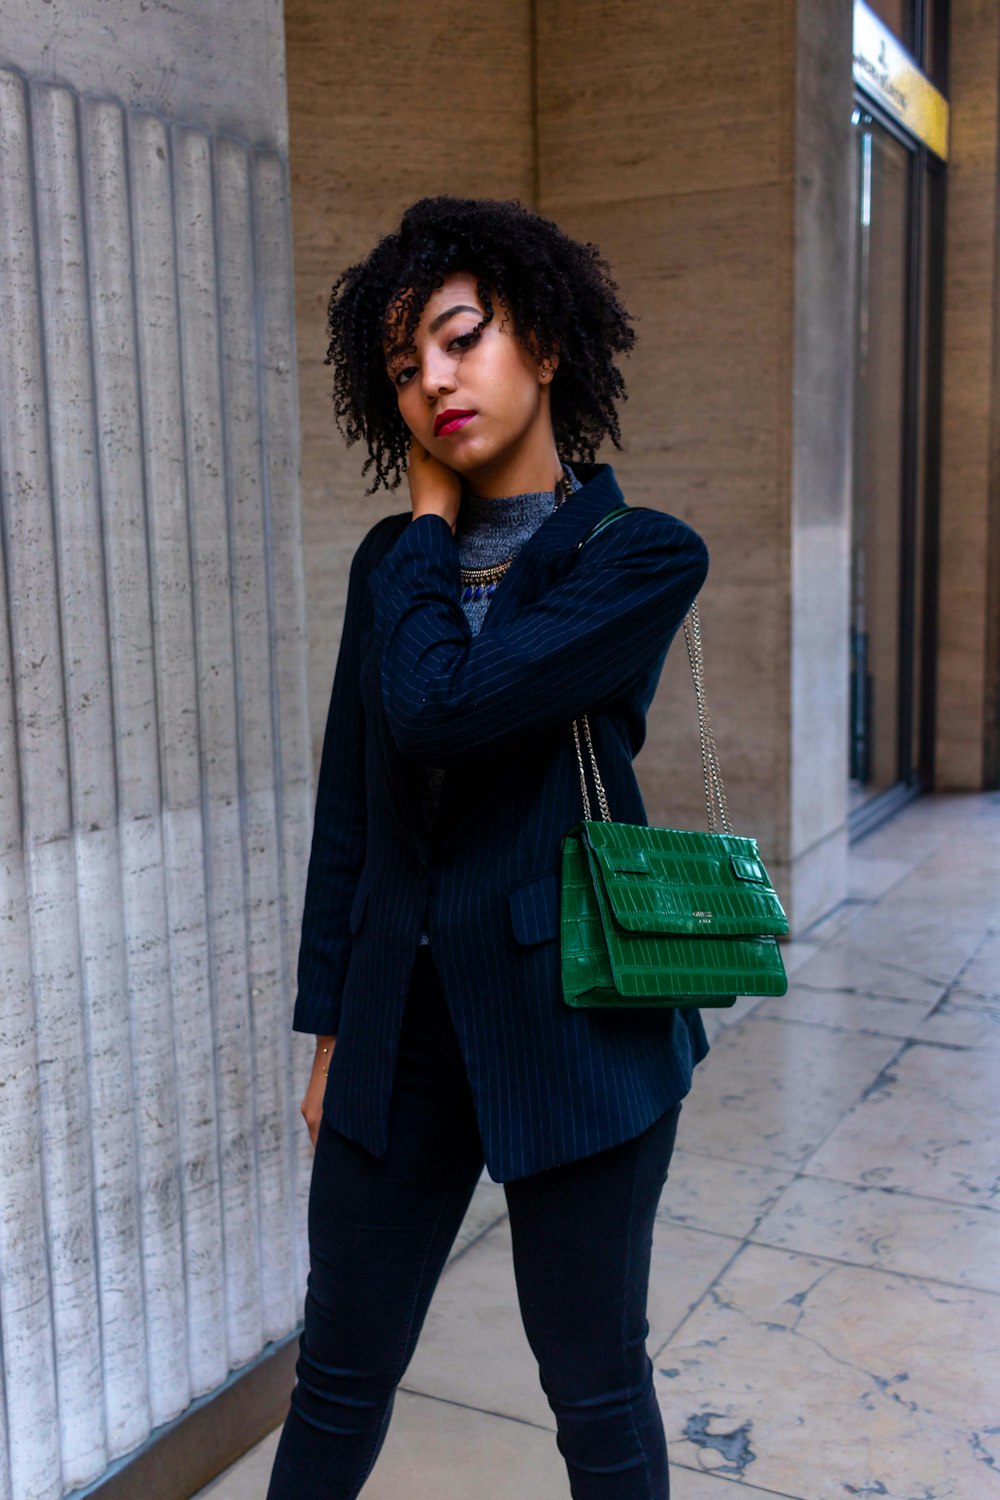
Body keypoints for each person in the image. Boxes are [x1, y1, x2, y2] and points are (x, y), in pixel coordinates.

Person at [266, 195, 711, 1500]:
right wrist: (330, 1023)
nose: (434, 384)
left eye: (459, 340)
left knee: (594, 1387)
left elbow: (442, 705)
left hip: (578, 1022)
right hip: (397, 1032)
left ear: (548, 346)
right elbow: (354, 799)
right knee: (338, 1376)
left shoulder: (637, 556)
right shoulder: (387, 567)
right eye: (404, 368)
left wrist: (424, 521)